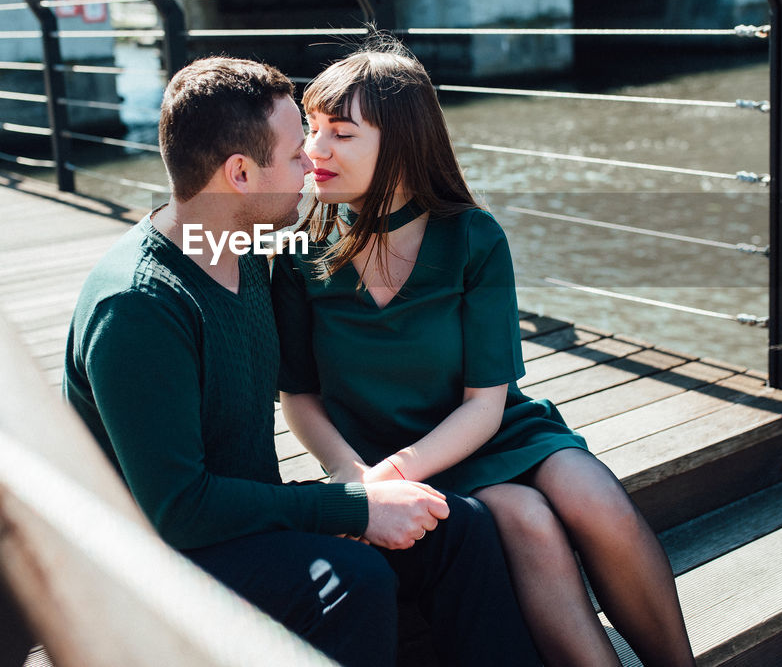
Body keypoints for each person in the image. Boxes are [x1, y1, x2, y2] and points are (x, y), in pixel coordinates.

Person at [62, 56, 542, 667]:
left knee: (462, 527)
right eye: (296, 154)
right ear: (240, 173)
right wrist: (352, 507)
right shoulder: (139, 307)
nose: (313, 167)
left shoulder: (248, 253)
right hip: (151, 559)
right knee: (355, 580)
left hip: (240, 520)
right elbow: (180, 510)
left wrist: (365, 483)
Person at [273, 42, 696, 667]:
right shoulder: (298, 253)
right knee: (526, 519)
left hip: (487, 430)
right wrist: (353, 477)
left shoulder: (473, 238)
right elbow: (298, 396)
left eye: (340, 132)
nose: (315, 150)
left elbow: (486, 405)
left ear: (404, 144)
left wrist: (388, 478)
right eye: (312, 129)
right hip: (377, 453)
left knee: (595, 500)